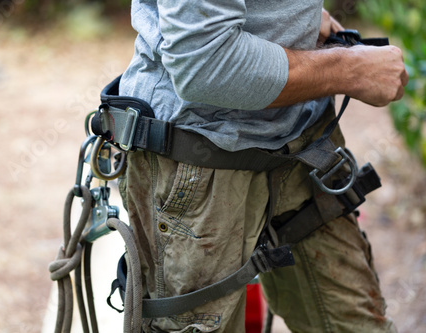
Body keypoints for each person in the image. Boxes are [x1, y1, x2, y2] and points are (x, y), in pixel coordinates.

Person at [116, 0, 408, 332]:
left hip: (302, 145)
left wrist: (295, 18)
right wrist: (350, 69)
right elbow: (205, 64)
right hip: (200, 166)